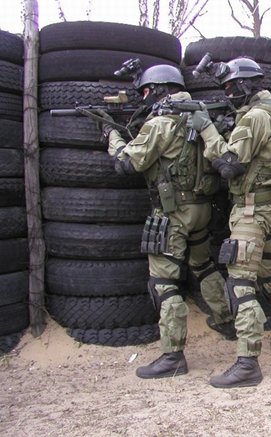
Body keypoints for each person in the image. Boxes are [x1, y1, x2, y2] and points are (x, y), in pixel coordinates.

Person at [105, 64, 235, 379]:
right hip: (202, 209)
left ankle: (173, 355)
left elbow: (127, 164)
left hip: (172, 213)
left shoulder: (160, 124)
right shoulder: (202, 116)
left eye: (146, 91)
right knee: (203, 266)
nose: (144, 97)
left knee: (163, 282)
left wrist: (112, 136)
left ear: (160, 89)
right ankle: (227, 321)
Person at [189, 56, 271, 389]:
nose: (228, 94)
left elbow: (230, 165)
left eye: (232, 87)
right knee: (269, 274)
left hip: (251, 212)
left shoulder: (255, 117)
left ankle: (248, 363)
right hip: (270, 207)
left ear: (247, 84)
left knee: (240, 283)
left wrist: (206, 128)